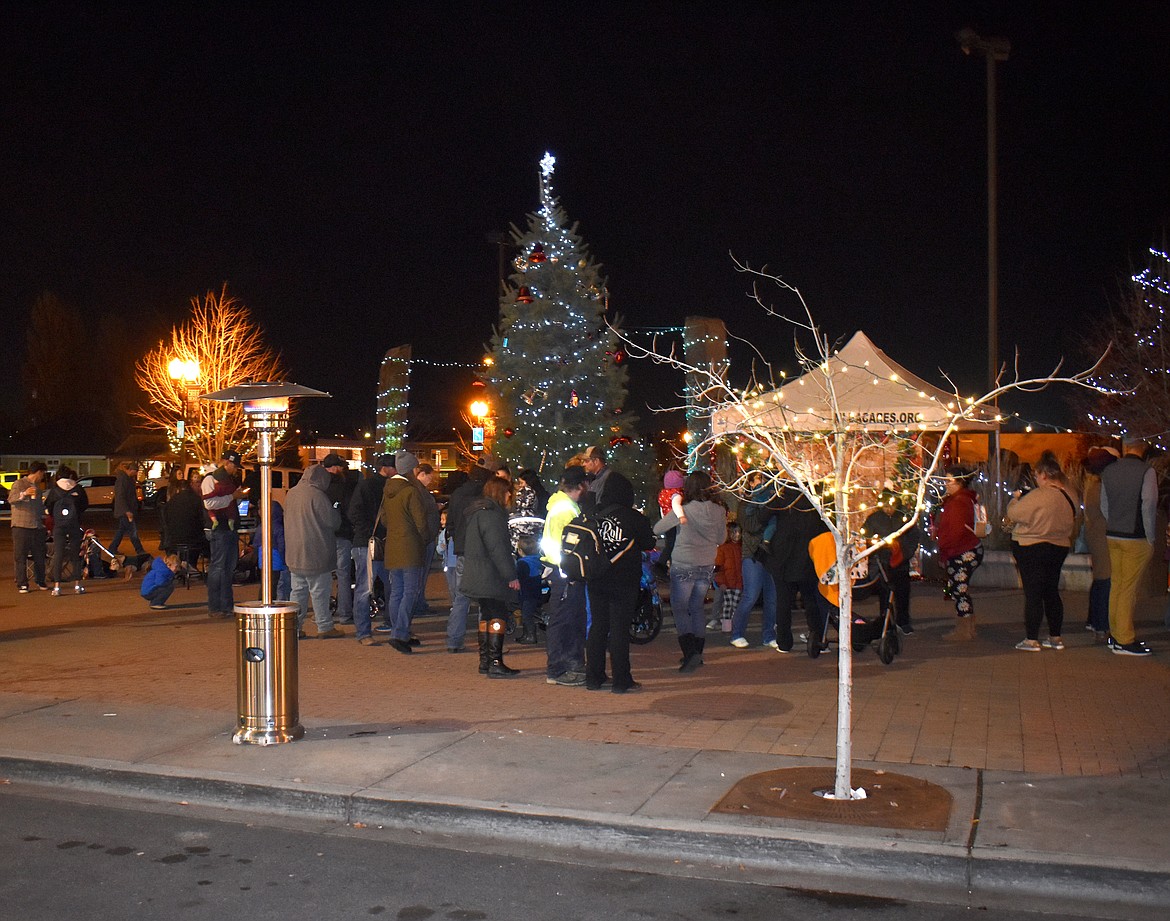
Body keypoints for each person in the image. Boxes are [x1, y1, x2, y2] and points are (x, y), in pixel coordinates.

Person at [585, 474, 655, 692]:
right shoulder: (632, 517)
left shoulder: (595, 514)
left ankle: (594, 677)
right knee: (619, 629)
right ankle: (621, 680)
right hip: (624, 581)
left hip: (596, 578)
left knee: (598, 626)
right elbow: (649, 542)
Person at [654, 470, 728, 672]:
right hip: (705, 565)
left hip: (684, 564)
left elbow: (658, 528)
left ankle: (689, 653)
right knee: (696, 607)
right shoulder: (719, 510)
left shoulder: (683, 509)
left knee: (679, 608)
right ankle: (698, 652)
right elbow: (721, 539)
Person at [1005, 451, 1080, 651]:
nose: (1036, 479)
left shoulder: (1040, 495)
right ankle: (1055, 637)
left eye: (1037, 476)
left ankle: (1031, 639)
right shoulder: (1070, 494)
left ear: (1044, 474)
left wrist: (1015, 499)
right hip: (1059, 546)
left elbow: (1014, 513)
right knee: (1051, 592)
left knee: (1033, 593)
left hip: (1031, 546)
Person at [1100, 439, 1158, 656]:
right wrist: (1150, 536)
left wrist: (1113, 522)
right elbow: (1149, 504)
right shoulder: (1146, 471)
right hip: (1136, 536)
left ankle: (1115, 635)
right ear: (1143, 449)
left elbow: (1104, 504)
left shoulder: (1109, 470)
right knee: (1128, 589)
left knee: (1117, 586)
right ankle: (1124, 639)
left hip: (1114, 534)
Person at [459, 477, 522, 678]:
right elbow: (498, 550)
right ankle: (495, 661)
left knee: (486, 615)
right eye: (507, 492)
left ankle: (485, 660)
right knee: (498, 615)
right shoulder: (493, 516)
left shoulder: (478, 514)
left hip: (477, 574)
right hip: (490, 575)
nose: (509, 496)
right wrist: (511, 575)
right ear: (499, 493)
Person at [444, 455, 502, 652]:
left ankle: (454, 640)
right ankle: (485, 642)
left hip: (461, 550)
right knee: (485, 599)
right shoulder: (486, 496)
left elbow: (450, 523)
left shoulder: (458, 493)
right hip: (481, 552)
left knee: (461, 597)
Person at [541, 465, 591, 686]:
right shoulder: (567, 510)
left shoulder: (563, 506)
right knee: (563, 621)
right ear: (580, 486)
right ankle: (558, 669)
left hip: (563, 572)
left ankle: (572, 663)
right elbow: (568, 546)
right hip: (565, 574)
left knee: (571, 619)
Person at [284, 462, 343, 639]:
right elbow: (333, 522)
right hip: (316, 551)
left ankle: (294, 627)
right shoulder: (318, 496)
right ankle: (324, 626)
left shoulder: (291, 493)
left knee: (297, 592)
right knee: (319, 591)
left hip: (295, 552)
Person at [378, 455, 428, 654]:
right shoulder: (410, 492)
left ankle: (398, 632)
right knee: (410, 591)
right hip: (410, 547)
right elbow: (421, 523)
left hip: (393, 547)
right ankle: (400, 634)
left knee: (397, 591)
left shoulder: (388, 490)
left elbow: (383, 519)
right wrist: (424, 538)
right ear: (410, 470)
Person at [348, 454, 396, 647]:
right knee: (383, 586)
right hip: (374, 542)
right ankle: (372, 629)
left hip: (367, 541)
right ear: (386, 468)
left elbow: (354, 513)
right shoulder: (380, 487)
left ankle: (365, 631)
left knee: (365, 588)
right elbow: (355, 513)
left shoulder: (366, 486)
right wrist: (373, 532)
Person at [932, 465, 984, 640]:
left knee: (959, 590)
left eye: (949, 480)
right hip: (967, 549)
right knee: (959, 589)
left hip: (961, 551)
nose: (946, 484)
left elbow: (954, 532)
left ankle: (964, 630)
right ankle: (968, 628)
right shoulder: (964, 500)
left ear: (959, 481)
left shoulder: (958, 502)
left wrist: (943, 546)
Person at [728, 471, 779, 649]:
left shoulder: (773, 499)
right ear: (750, 483)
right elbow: (750, 526)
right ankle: (737, 633)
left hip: (771, 554)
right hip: (752, 554)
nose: (763, 483)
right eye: (759, 479)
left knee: (772, 597)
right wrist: (765, 513)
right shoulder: (746, 504)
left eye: (765, 480)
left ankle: (769, 635)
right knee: (751, 595)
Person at [862, 490, 921, 635]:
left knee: (902, 593)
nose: (888, 509)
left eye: (891, 506)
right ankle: (887, 623)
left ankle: (903, 621)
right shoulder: (874, 519)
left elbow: (913, 536)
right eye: (885, 506)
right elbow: (866, 537)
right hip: (882, 561)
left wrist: (904, 551)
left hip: (900, 561)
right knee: (884, 593)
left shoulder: (904, 519)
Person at [201, 450, 246, 619]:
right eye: (234, 466)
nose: (235, 470)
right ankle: (216, 606)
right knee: (219, 567)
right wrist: (232, 497)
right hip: (219, 528)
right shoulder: (210, 479)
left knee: (227, 567)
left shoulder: (227, 481)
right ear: (226, 463)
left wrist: (238, 498)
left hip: (228, 528)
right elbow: (209, 503)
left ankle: (225, 605)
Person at [1081, 447, 1119, 642]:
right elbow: (1107, 512)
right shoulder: (1101, 487)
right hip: (1103, 537)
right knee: (1105, 581)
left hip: (1097, 536)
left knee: (1100, 580)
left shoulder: (1093, 484)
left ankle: (1096, 622)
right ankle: (1101, 625)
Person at [398, 455, 441, 619]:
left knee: (420, 575)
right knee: (418, 576)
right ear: (421, 474)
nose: (430, 481)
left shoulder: (417, 490)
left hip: (425, 537)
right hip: (424, 538)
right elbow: (420, 516)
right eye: (429, 477)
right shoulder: (416, 491)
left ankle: (419, 603)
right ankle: (417, 605)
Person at [321, 453, 356, 625]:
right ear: (335, 468)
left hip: (323, 536)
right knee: (343, 574)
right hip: (342, 533)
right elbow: (349, 510)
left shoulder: (319, 487)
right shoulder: (344, 486)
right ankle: (344, 613)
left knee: (324, 574)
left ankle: (323, 612)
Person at [44, 466, 89, 595]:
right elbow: (84, 505)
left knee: (58, 554)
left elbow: (48, 507)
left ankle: (57, 587)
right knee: (75, 554)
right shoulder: (78, 489)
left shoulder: (54, 490)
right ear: (70, 476)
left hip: (59, 526)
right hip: (74, 525)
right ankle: (77, 585)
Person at [9, 461, 49, 593]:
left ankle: (40, 580)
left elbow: (39, 507)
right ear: (39, 472)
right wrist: (24, 494)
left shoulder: (38, 487)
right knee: (20, 556)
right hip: (21, 526)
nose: (43, 477)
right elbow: (12, 499)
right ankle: (22, 584)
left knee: (39, 555)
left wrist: (45, 514)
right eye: (43, 473)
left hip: (36, 526)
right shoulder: (19, 483)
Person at [162, 468, 207, 574]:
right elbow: (201, 519)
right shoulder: (196, 500)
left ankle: (184, 564)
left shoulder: (172, 501)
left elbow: (166, 519)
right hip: (192, 539)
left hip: (174, 538)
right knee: (205, 541)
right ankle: (192, 564)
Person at [110, 460, 147, 556]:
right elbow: (121, 496)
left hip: (125, 510)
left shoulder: (127, 479)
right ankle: (140, 550)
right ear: (131, 470)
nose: (136, 474)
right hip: (125, 511)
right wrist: (127, 511)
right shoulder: (123, 480)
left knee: (121, 530)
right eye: (135, 472)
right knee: (132, 531)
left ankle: (112, 548)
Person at [711, 522, 743, 631]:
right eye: (734, 532)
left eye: (739, 532)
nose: (737, 535)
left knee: (736, 605)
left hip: (738, 582)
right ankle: (726, 627)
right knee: (727, 605)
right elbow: (719, 568)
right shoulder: (723, 548)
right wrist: (721, 582)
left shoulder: (741, 548)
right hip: (728, 582)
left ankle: (734, 626)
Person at [581, 444, 630, 513]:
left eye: (586, 461)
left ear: (596, 461)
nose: (583, 464)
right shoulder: (595, 479)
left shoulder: (611, 479)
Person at [515, 534, 543, 645]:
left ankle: (530, 635)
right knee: (529, 614)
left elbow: (520, 578)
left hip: (527, 594)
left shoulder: (522, 563)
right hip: (536, 592)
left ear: (520, 550)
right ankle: (526, 635)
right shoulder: (537, 560)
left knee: (526, 616)